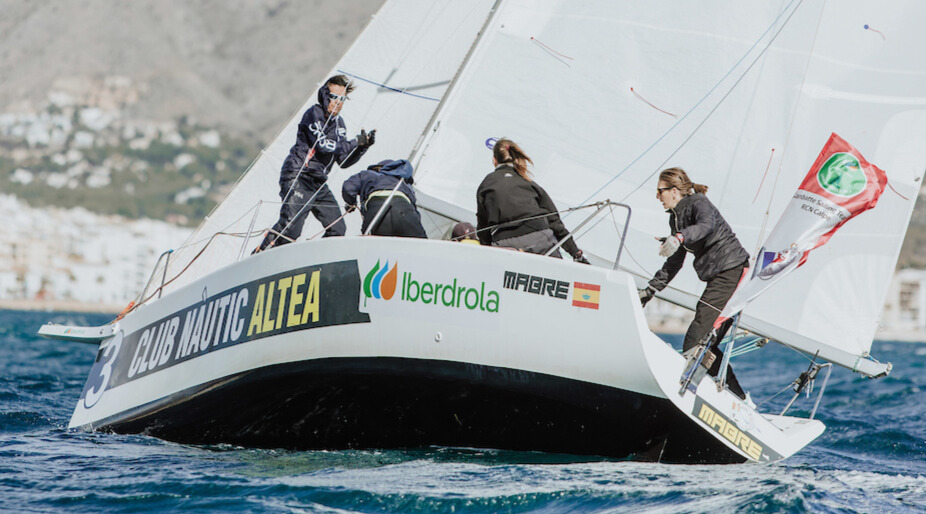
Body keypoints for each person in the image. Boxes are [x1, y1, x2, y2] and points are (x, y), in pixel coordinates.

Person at [639, 167, 750, 398]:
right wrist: (650, 290)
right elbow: (673, 264)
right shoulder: (676, 219)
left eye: (660, 191)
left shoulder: (699, 203)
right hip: (720, 276)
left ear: (674, 191)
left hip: (732, 270)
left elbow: (706, 226)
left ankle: (702, 394)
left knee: (696, 340)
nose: (657, 197)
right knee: (704, 342)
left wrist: (680, 237)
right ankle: (736, 397)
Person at [256, 75, 375, 252]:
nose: (338, 102)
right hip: (299, 175)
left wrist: (362, 147)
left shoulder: (339, 124)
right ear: (325, 96)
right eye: (334, 97)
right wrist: (354, 143)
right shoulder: (314, 113)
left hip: (318, 183)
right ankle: (258, 258)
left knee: (338, 229)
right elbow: (323, 145)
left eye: (342, 99)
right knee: (291, 229)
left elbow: (342, 160)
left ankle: (315, 262)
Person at [475, 138, 589, 263]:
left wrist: (485, 253)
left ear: (494, 160)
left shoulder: (486, 184)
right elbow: (555, 223)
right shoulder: (529, 183)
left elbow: (483, 227)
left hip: (505, 244)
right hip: (539, 239)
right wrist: (575, 253)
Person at [342, 159, 427, 238]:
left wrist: (351, 204)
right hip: (405, 209)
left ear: (377, 168)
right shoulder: (403, 183)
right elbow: (415, 210)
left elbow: (348, 187)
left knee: (372, 246)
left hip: (376, 208)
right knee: (420, 246)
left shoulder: (368, 174)